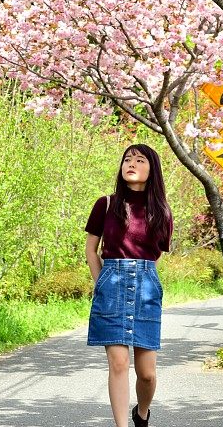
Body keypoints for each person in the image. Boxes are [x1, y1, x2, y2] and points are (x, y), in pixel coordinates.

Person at [85, 144, 173, 427]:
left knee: (147, 373)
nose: (130, 163)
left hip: (146, 288)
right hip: (112, 283)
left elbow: (155, 257)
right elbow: (91, 250)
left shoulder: (161, 212)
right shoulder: (106, 204)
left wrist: (146, 281)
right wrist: (103, 284)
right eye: (126, 159)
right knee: (119, 363)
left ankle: (142, 413)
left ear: (152, 170)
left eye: (139, 159)